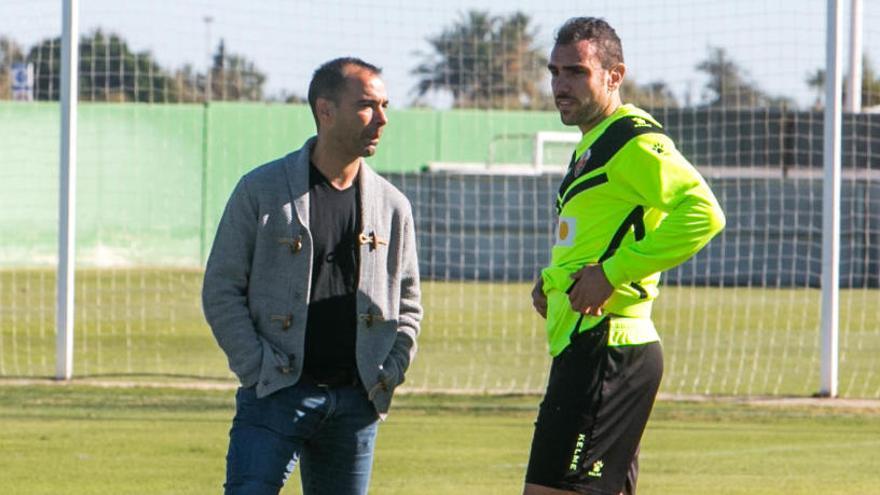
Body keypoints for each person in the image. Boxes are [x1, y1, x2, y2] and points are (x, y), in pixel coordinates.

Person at [202, 57, 422, 495]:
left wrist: (386, 371)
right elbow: (221, 289)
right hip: (274, 394)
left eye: (384, 105)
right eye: (367, 105)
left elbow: (409, 303)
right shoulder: (261, 190)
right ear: (326, 110)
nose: (382, 119)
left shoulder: (392, 206)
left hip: (356, 404)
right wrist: (257, 367)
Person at [524, 17, 725, 495]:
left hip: (608, 348)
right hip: (591, 345)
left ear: (614, 76)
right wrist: (553, 280)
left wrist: (613, 273)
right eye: (554, 72)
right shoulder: (593, 145)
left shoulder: (631, 140)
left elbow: (704, 213)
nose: (559, 85)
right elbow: (599, 234)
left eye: (575, 72)